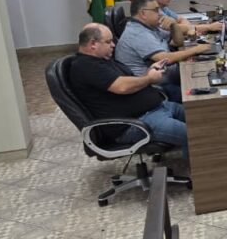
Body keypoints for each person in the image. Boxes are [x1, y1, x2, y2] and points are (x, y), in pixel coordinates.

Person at [69, 23, 189, 158]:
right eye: (108, 42)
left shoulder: (103, 60)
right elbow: (122, 87)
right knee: (193, 134)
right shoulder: (85, 66)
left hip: (157, 109)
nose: (113, 45)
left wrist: (149, 72)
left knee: (200, 116)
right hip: (135, 123)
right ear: (93, 44)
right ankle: (198, 169)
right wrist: (149, 78)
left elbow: (128, 81)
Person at [115, 0, 211, 103]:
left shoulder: (150, 27)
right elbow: (165, 58)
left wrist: (174, 25)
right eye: (156, 10)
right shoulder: (137, 33)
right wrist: (196, 50)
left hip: (168, 75)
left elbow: (178, 42)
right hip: (154, 87)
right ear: (143, 13)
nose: (160, 13)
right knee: (202, 95)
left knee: (206, 71)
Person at [144, 0, 220, 37]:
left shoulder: (164, 8)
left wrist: (189, 30)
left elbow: (181, 19)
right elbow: (177, 28)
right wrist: (209, 27)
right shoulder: (153, 12)